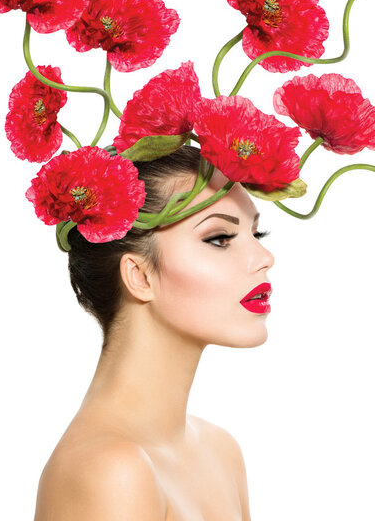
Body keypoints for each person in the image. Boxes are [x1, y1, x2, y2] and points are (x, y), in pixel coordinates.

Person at [33, 146, 274, 521]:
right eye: (220, 238)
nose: (264, 257)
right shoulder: (108, 473)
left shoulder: (221, 452)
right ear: (139, 277)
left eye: (257, 232)